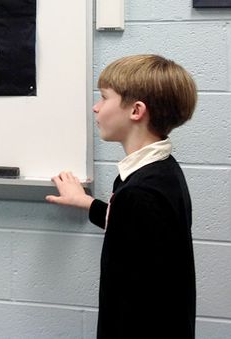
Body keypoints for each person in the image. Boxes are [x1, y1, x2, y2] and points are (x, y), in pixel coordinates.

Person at [46, 54, 198, 338]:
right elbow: (131, 228)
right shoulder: (160, 172)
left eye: (104, 98)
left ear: (136, 110)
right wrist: (86, 203)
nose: (96, 107)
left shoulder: (141, 192)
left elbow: (134, 299)